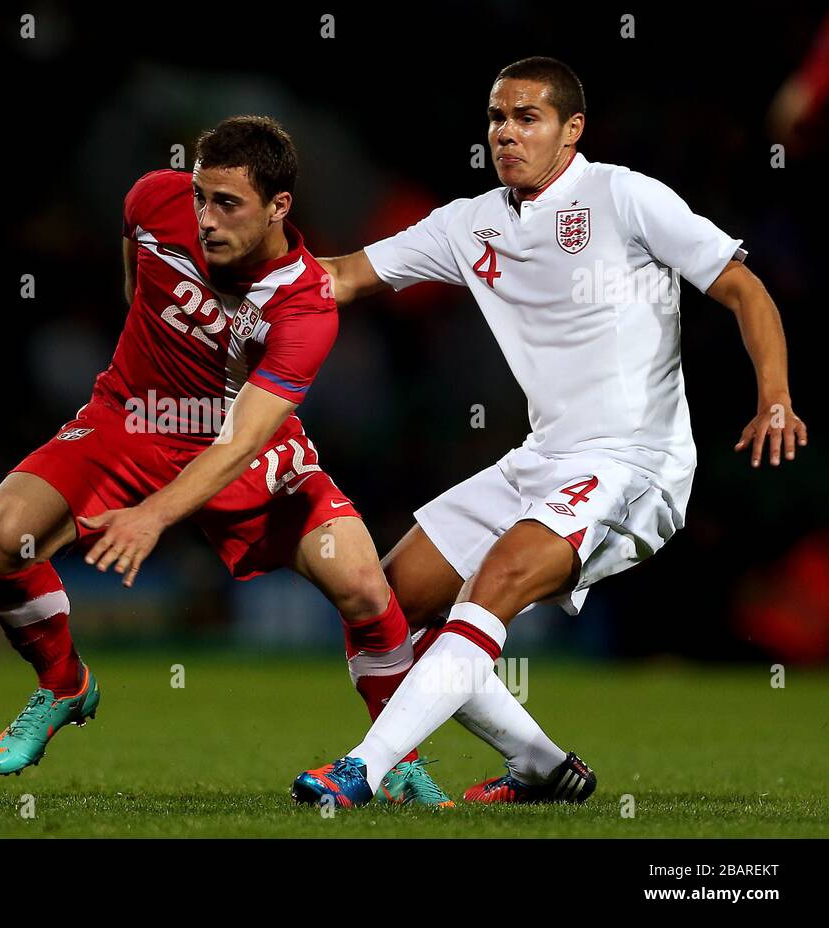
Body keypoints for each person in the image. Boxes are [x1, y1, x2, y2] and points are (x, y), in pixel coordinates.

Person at [292, 57, 808, 808]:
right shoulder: (472, 222)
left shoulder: (622, 195)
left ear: (572, 130)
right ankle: (541, 766)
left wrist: (776, 397)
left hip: (637, 464)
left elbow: (741, 286)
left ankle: (359, 772)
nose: (506, 133)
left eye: (526, 117)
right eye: (497, 117)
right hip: (543, 460)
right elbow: (339, 277)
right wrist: (244, 265)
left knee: (493, 584)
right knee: (385, 603)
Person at [0, 116, 451, 804]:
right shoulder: (152, 200)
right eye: (201, 196)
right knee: (0, 536)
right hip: (129, 423)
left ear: (278, 207)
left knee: (365, 586)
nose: (204, 217)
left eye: (227, 204)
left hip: (240, 447)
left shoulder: (306, 304)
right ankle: (63, 684)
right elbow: (136, 277)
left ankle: (393, 756)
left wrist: (150, 517)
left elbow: (243, 441)